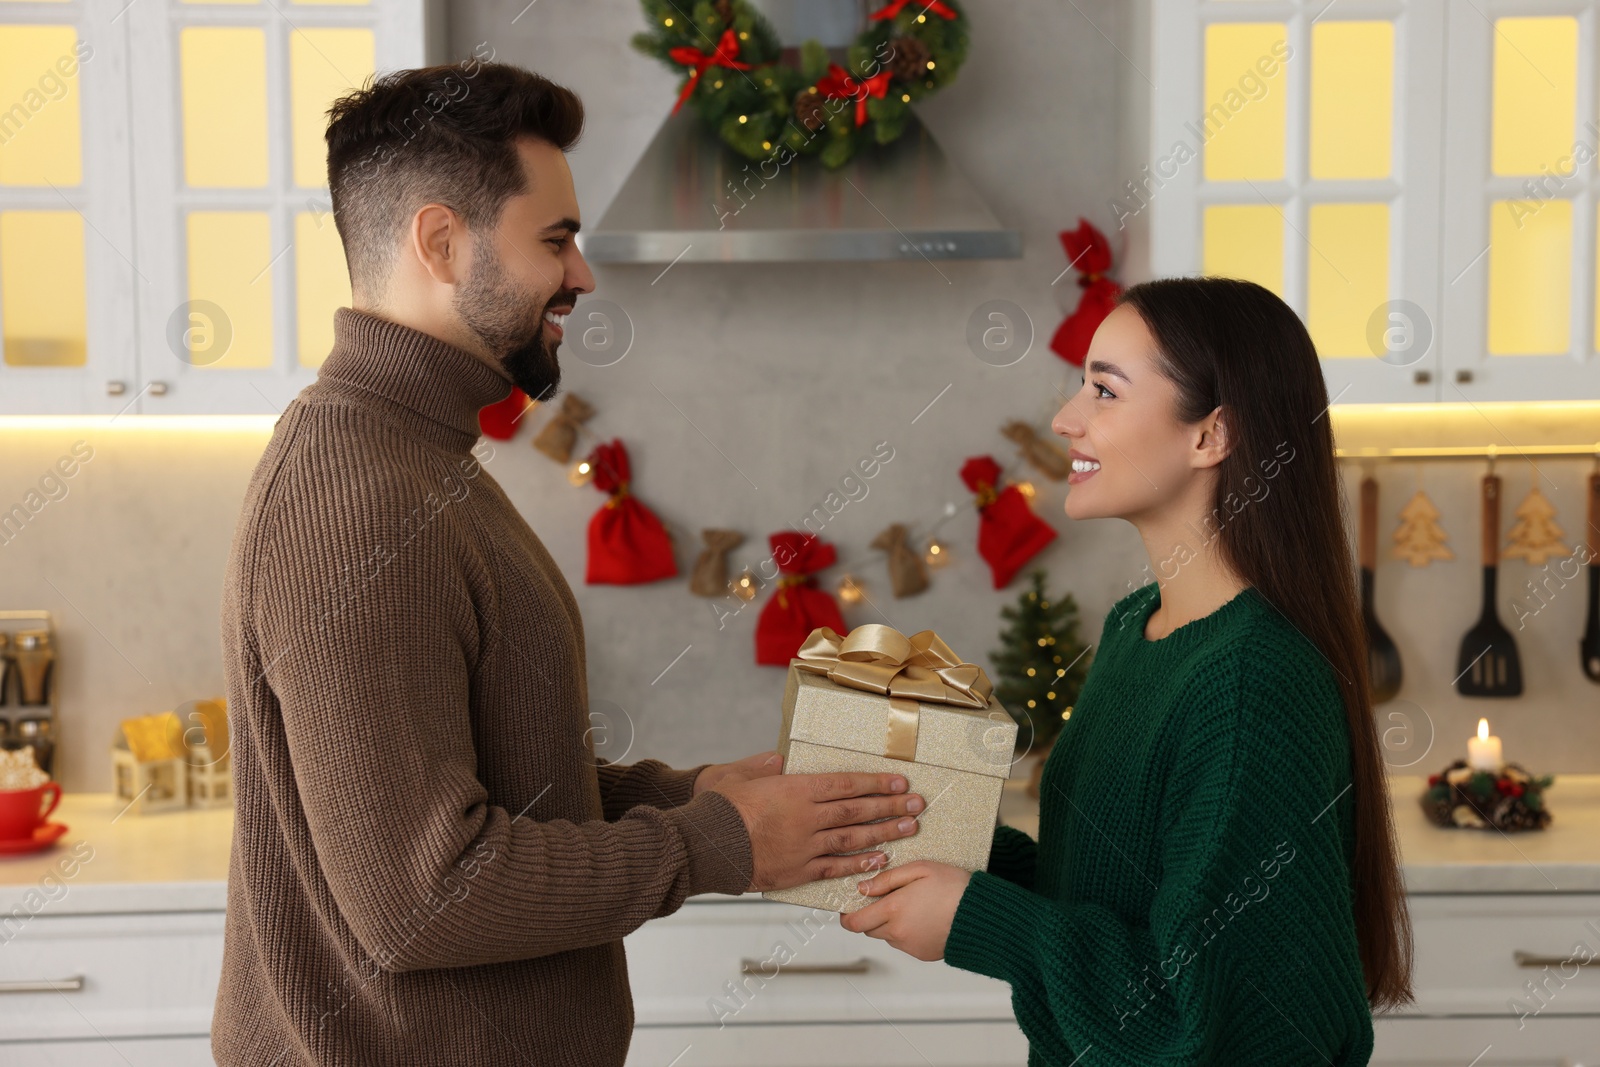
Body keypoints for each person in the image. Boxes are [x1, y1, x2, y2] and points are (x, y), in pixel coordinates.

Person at [213, 62, 925, 1066]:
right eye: (555, 239)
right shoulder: (357, 497)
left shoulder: (418, 455)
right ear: (440, 241)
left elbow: (482, 773)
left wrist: (687, 792)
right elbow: (423, 897)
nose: (583, 275)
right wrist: (721, 841)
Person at [840, 276, 1416, 1065]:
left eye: (1105, 391)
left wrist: (978, 920)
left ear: (1212, 435)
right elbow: (1111, 886)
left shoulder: (1249, 679)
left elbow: (1213, 1022)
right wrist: (934, 838)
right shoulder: (1137, 626)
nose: (1065, 419)